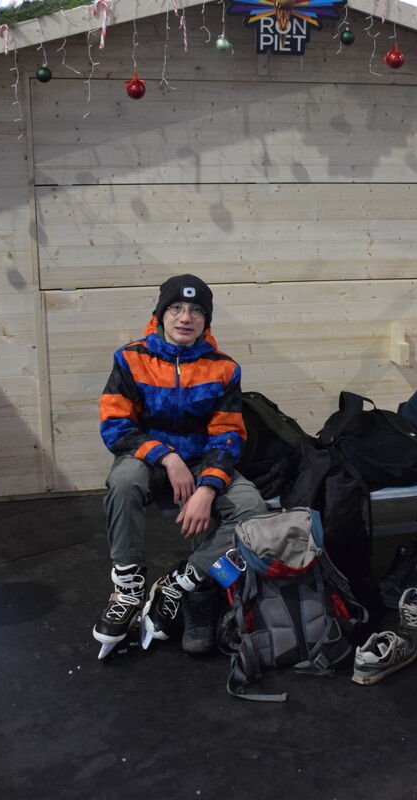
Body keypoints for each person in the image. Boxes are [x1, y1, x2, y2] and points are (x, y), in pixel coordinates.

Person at [92, 274, 268, 660]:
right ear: (160, 315)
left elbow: (228, 437)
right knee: (124, 480)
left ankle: (181, 583)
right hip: (150, 459)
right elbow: (116, 426)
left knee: (253, 509)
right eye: (176, 308)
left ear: (207, 321)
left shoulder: (224, 368)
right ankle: (128, 588)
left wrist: (207, 488)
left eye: (196, 310)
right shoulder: (130, 358)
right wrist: (167, 457)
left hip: (204, 460)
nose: (185, 317)